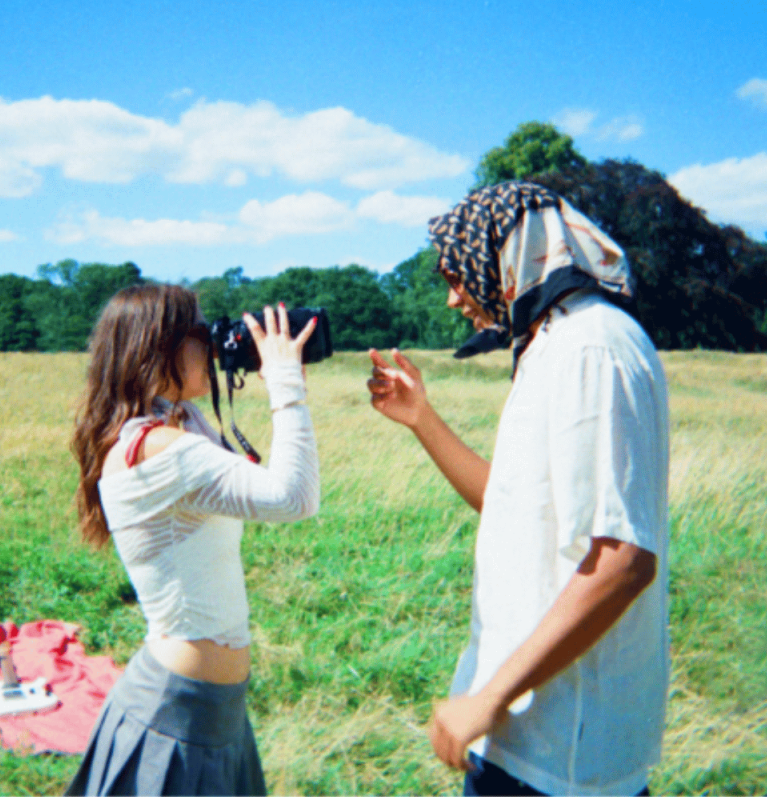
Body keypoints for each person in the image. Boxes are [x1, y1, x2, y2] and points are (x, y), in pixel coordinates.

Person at [367, 182, 669, 797]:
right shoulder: (550, 344)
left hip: (563, 754)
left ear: (503, 256)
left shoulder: (594, 348)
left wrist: (491, 697)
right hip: (521, 734)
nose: (453, 297)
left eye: (457, 275)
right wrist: (422, 418)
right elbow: (513, 506)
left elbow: (623, 560)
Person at [66, 284, 319, 796]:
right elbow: (293, 499)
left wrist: (263, 368)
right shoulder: (156, 447)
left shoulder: (174, 423)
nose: (214, 345)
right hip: (176, 713)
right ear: (158, 347)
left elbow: (262, 483)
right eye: (202, 334)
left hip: (214, 711)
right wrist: (285, 384)